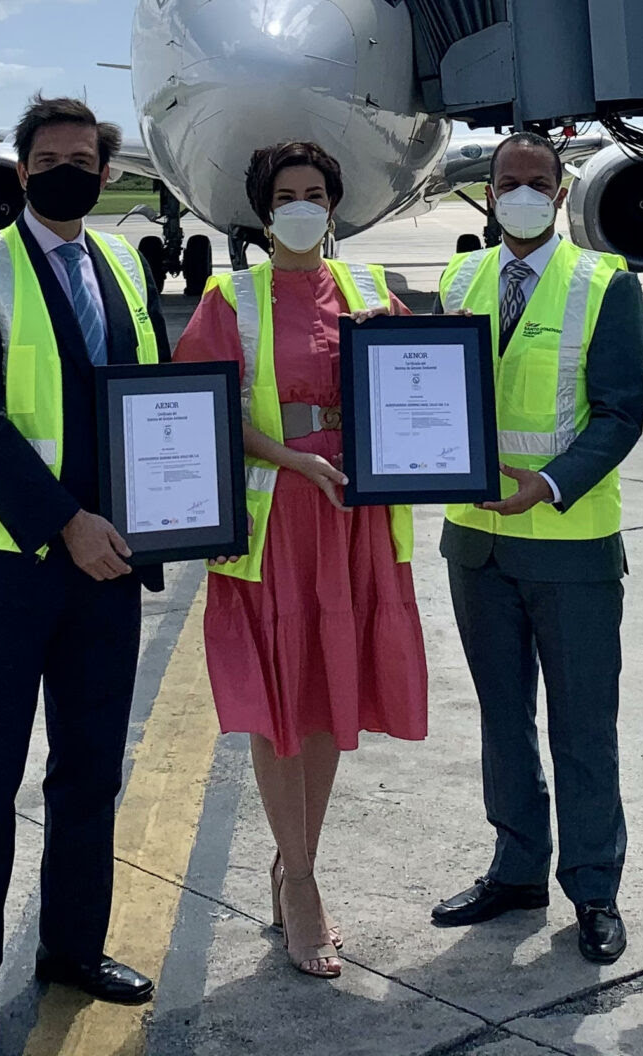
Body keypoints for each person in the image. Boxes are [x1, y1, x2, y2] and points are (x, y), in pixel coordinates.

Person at [0, 96, 169, 1039]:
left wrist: (182, 513)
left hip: (107, 570)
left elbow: (147, 404)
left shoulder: (119, 264)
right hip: (1, 571)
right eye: (50, 157)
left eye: (86, 158)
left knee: (90, 775)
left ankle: (72, 944)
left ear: (107, 174)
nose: (70, 170)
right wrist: (66, 522)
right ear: (21, 172)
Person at [176, 141, 429, 980]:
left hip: (353, 518)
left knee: (327, 697)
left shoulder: (370, 292)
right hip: (278, 520)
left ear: (335, 205)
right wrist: (294, 460)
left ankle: (295, 862)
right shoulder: (229, 296)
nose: (302, 206)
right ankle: (307, 883)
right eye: (286, 194)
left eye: (316, 193)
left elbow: (408, 395)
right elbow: (204, 405)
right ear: (261, 207)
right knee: (284, 703)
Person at [428, 132, 643, 966]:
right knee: (502, 718)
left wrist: (548, 483)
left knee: (584, 725)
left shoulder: (604, 282)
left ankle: (593, 887)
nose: (519, 193)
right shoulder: (460, 279)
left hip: (570, 541)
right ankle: (515, 865)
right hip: (476, 542)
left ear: (559, 196)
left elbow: (620, 414)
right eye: (506, 181)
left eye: (536, 182)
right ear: (487, 194)